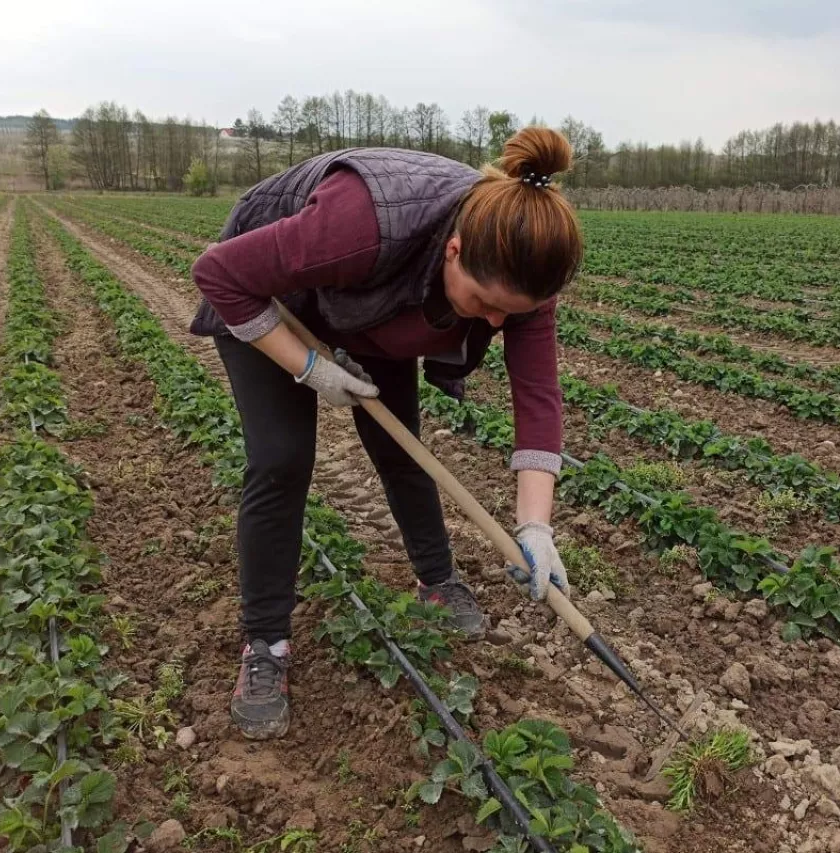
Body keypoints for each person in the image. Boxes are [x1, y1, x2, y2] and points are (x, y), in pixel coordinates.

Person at [188, 127, 583, 740]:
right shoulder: (361, 224)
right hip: (270, 298)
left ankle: (436, 579)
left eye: (514, 311)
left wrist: (535, 524)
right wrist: (310, 366)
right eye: (485, 303)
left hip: (379, 304)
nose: (499, 322)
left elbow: (537, 398)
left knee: (403, 446)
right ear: (453, 251)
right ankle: (265, 644)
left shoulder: (522, 275)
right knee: (282, 459)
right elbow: (217, 275)